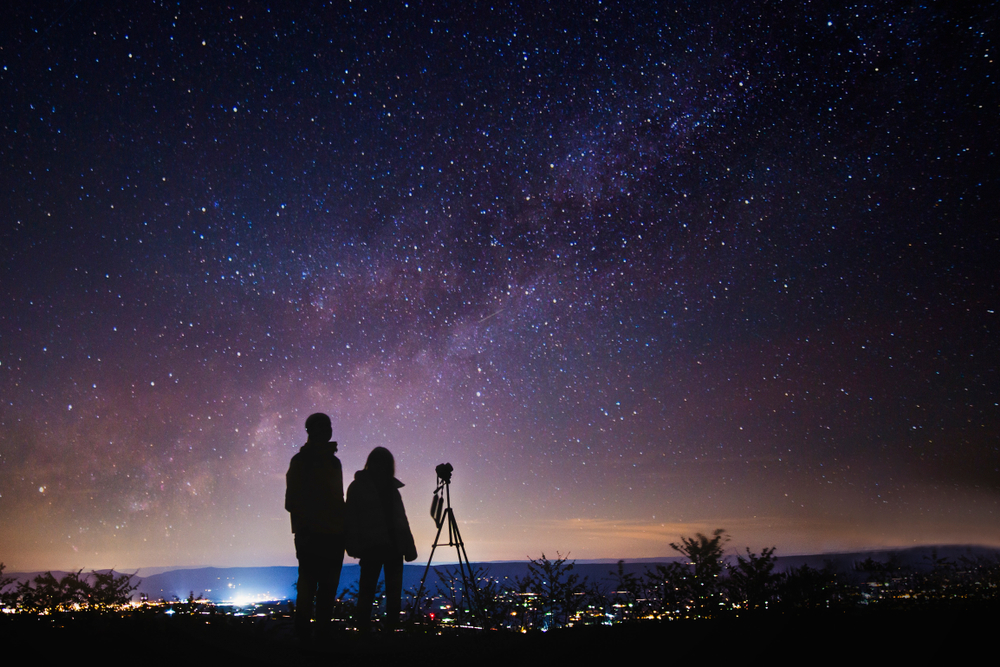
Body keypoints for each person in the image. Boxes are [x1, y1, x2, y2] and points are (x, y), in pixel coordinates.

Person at [285, 413, 345, 639]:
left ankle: (313, 635)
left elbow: (292, 502)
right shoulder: (313, 462)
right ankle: (315, 636)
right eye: (324, 427)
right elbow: (292, 501)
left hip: (320, 534)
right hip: (319, 534)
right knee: (318, 587)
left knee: (314, 586)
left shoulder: (325, 461)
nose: (327, 431)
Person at [346, 447, 418, 631]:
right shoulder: (362, 487)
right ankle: (369, 632)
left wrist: (408, 547)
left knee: (384, 593)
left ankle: (384, 633)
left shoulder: (386, 488)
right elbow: (351, 518)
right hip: (374, 547)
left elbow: (401, 519)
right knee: (369, 592)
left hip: (390, 547)